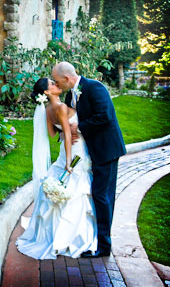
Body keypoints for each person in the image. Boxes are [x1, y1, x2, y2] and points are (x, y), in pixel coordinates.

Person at [15, 77, 98, 259]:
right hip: (74, 151)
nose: (56, 84)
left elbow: (54, 133)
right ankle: (71, 236)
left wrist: (63, 129)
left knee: (67, 188)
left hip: (65, 150)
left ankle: (55, 232)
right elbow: (67, 136)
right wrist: (68, 161)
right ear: (46, 92)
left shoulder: (47, 110)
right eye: (52, 84)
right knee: (76, 189)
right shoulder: (60, 107)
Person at [52, 61, 126, 258]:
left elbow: (105, 116)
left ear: (67, 78)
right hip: (87, 151)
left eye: (58, 82)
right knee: (98, 195)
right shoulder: (70, 95)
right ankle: (94, 239)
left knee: (102, 196)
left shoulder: (94, 87)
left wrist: (79, 128)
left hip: (106, 150)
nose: (57, 85)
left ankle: (104, 247)